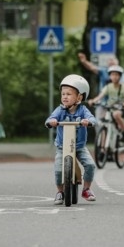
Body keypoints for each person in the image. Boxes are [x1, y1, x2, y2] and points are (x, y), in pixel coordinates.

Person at [45, 74, 97, 204]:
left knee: (90, 165)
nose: (65, 97)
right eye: (63, 94)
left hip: (79, 147)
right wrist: (51, 121)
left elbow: (92, 119)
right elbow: (50, 118)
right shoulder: (60, 110)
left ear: (79, 97)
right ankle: (60, 192)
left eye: (69, 94)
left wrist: (88, 121)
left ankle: (86, 189)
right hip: (62, 147)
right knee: (58, 170)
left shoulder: (83, 110)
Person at [88, 65, 124, 136]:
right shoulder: (108, 87)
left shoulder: (123, 87)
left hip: (121, 109)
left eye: (116, 75)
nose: (114, 77)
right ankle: (102, 143)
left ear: (120, 76)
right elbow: (100, 96)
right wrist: (93, 101)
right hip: (110, 109)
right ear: (110, 76)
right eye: (112, 75)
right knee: (102, 120)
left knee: (116, 114)